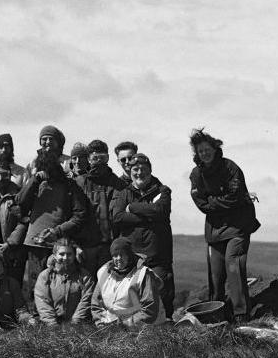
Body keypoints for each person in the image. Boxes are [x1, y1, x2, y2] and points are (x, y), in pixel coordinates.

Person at [189, 128, 261, 323]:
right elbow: (201, 204)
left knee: (234, 265)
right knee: (216, 274)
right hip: (215, 230)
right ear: (197, 153)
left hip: (238, 226)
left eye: (207, 149)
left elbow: (235, 197)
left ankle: (241, 315)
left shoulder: (230, 168)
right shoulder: (196, 174)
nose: (204, 153)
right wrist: (220, 203)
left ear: (214, 148)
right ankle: (216, 315)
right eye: (200, 150)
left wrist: (213, 201)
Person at [18, 149, 89, 302]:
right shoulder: (36, 182)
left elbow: (80, 215)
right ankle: (36, 320)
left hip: (59, 245)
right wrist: (34, 180)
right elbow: (20, 204)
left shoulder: (70, 186)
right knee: (35, 286)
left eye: (49, 168)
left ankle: (58, 319)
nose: (47, 173)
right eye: (43, 168)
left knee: (59, 285)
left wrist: (57, 231)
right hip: (34, 242)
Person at [112, 153, 175, 318]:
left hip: (158, 258)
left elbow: (160, 211)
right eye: (135, 169)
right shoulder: (124, 192)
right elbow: (118, 217)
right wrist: (149, 216)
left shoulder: (162, 190)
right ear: (130, 171)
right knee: (133, 300)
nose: (139, 173)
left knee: (162, 298)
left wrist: (132, 207)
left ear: (150, 170)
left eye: (143, 169)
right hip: (133, 259)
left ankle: (165, 333)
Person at [74, 139, 127, 274]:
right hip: (85, 247)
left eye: (102, 158)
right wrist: (74, 245)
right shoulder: (78, 183)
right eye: (95, 158)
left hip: (109, 247)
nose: (98, 162)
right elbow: (70, 215)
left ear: (108, 158)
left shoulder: (119, 184)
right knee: (87, 287)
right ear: (89, 159)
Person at [91, 238, 164, 328]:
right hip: (111, 328)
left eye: (122, 255)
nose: (118, 258)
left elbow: (149, 310)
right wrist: (101, 323)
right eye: (115, 255)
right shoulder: (104, 273)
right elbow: (96, 303)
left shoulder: (143, 274)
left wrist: (123, 325)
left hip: (141, 329)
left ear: (129, 255)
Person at [34, 239, 96, 326]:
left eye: (69, 254)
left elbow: (87, 300)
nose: (65, 258)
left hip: (79, 326)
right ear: (54, 256)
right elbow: (43, 301)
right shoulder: (45, 276)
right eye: (61, 254)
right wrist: (52, 324)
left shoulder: (84, 275)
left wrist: (76, 322)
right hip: (51, 326)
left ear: (74, 255)